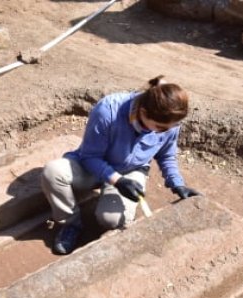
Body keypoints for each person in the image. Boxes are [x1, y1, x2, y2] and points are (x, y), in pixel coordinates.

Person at [40, 76, 201, 255]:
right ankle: (71, 224)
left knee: (112, 220)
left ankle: (104, 204)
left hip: (131, 171)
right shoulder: (108, 110)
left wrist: (177, 184)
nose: (167, 131)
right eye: (161, 128)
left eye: (171, 127)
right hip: (93, 165)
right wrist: (117, 180)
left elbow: (166, 155)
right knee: (53, 172)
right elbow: (90, 156)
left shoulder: (169, 122)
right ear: (143, 112)